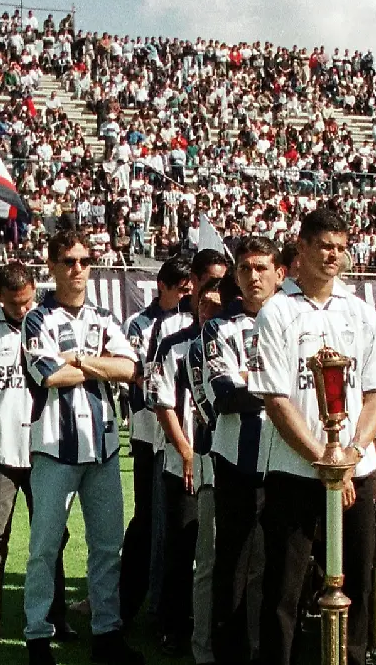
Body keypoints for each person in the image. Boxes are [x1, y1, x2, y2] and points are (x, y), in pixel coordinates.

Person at [249, 209, 376, 665]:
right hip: (296, 471)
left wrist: (350, 457)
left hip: (355, 471)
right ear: (303, 248)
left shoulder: (359, 312)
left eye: (339, 247)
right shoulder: (278, 310)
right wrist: (323, 461)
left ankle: (350, 659)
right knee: (285, 588)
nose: (332, 256)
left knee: (356, 581)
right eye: (323, 246)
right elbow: (276, 399)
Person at [22, 230, 142, 665]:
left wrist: (79, 361)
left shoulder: (107, 318)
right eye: (68, 261)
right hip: (55, 449)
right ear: (52, 266)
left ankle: (106, 633)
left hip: (104, 447)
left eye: (84, 261)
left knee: (107, 546)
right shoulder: (38, 319)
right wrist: (98, 366)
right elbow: (48, 376)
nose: (77, 269)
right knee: (44, 546)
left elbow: (129, 369)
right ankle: (38, 634)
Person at [0, 263, 74, 648]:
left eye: (29, 300)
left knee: (50, 538)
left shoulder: (49, 322)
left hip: (46, 446)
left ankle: (54, 617)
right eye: (15, 304)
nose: (24, 309)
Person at [202, 237, 284, 665]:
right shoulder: (219, 328)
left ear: (279, 274)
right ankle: (230, 653)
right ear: (236, 276)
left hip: (289, 462)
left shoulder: (295, 325)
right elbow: (225, 394)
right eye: (247, 269)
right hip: (239, 463)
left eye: (262, 268)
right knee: (234, 564)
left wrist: (260, 388)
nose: (255, 276)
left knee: (282, 567)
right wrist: (281, 394)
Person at [150, 278, 224, 661]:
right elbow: (163, 403)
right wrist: (186, 452)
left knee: (218, 552)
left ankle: (215, 627)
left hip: (223, 461)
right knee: (182, 549)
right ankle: (174, 627)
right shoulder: (174, 346)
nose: (211, 311)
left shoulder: (234, 341)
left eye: (218, 304)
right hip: (185, 460)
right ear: (195, 303)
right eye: (205, 304)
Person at [120, 256, 192, 626]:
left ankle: (164, 600)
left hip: (181, 433)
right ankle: (131, 597)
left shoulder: (191, 321)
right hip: (148, 434)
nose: (186, 292)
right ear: (163, 285)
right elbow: (131, 372)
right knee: (146, 517)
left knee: (176, 521)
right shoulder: (138, 323)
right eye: (180, 286)